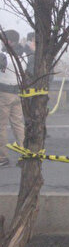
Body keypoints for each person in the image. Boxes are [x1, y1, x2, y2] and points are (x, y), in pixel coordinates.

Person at [0, 30, 26, 167]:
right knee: (18, 124)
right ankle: (24, 154)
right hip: (18, 93)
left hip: (4, 94)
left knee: (1, 127)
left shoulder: (4, 56)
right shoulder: (24, 56)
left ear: (9, 41)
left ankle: (2, 157)